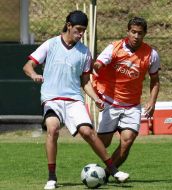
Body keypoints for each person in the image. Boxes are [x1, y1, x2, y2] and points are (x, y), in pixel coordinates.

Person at [23, 10, 129, 190]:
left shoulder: (84, 52)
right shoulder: (51, 44)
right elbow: (28, 66)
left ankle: (113, 170)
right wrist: (34, 75)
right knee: (53, 128)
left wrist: (96, 98)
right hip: (52, 98)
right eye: (78, 29)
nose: (80, 34)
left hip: (73, 99)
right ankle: (52, 178)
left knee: (88, 132)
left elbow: (85, 82)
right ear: (68, 25)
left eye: (83, 31)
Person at [92, 16, 160, 181]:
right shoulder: (114, 48)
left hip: (132, 105)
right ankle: (108, 171)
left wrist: (152, 101)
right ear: (127, 31)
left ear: (145, 34)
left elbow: (155, 81)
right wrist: (96, 67)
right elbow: (99, 63)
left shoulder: (151, 54)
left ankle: (107, 174)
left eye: (140, 33)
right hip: (110, 101)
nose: (136, 36)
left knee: (128, 140)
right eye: (133, 32)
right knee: (103, 144)